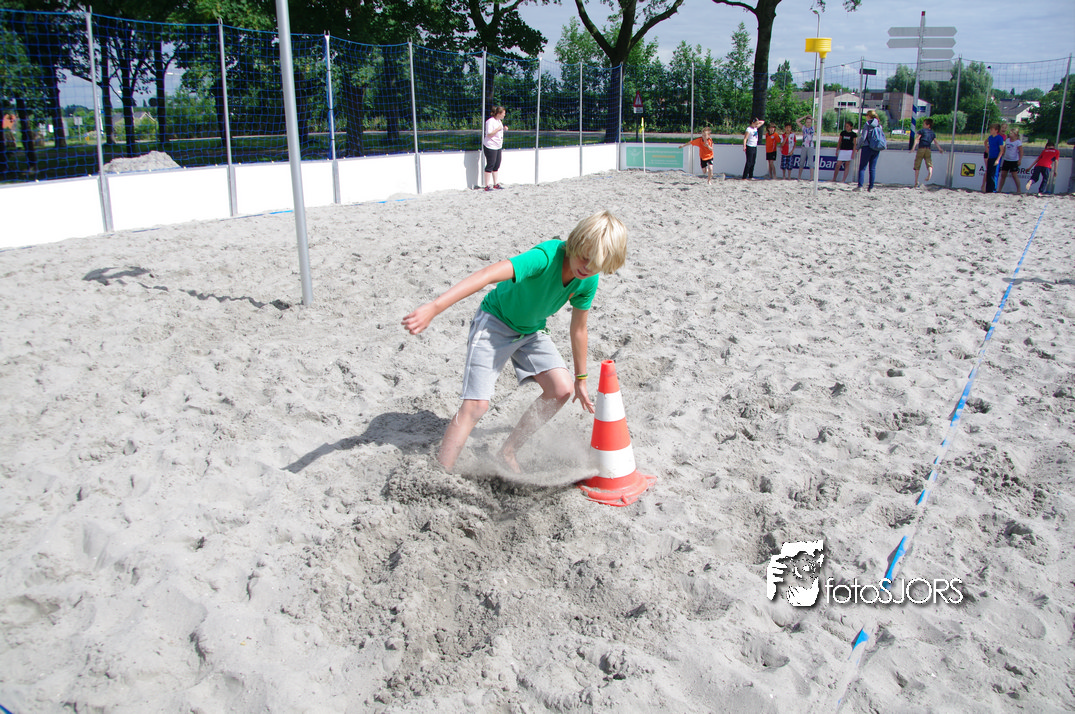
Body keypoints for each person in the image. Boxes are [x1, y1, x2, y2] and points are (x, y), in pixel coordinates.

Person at [401, 210, 628, 473]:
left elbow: (579, 329)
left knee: (561, 389)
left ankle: (507, 452)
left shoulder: (587, 280)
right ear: (575, 242)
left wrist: (581, 379)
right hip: (494, 323)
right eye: (585, 258)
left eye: (596, 265)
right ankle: (440, 472)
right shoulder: (545, 257)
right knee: (476, 406)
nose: (587, 268)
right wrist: (434, 307)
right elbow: (487, 274)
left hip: (531, 331)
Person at [910, 117, 943, 188]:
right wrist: (940, 149)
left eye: (924, 124)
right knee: (929, 161)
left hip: (921, 148)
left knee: (917, 164)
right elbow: (936, 142)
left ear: (928, 125)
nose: (923, 125)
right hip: (928, 149)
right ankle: (930, 172)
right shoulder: (932, 133)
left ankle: (916, 181)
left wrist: (913, 148)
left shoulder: (922, 131)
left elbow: (917, 139)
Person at [854, 110, 882, 192]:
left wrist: (857, 147)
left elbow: (863, 137)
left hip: (867, 147)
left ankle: (860, 186)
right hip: (876, 148)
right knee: (872, 168)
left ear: (869, 116)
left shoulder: (867, 124)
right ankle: (871, 187)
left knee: (862, 167)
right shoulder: (879, 125)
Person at [482, 106, 507, 191]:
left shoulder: (499, 121)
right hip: (490, 146)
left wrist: (503, 129)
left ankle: (496, 184)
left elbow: (499, 131)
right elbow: (489, 134)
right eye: (503, 113)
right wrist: (498, 129)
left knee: (497, 164)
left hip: (498, 146)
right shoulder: (490, 121)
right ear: (499, 113)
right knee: (490, 164)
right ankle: (486, 185)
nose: (504, 115)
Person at [997, 128, 1023, 194]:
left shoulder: (1018, 142)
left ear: (1015, 134)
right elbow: (1005, 148)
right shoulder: (1008, 140)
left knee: (1014, 175)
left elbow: (1021, 151)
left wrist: (1020, 160)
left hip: (1013, 160)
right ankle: (999, 189)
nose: (1010, 134)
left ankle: (1019, 190)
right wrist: (1003, 153)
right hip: (1006, 160)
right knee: (1003, 175)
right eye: (1010, 133)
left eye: (1011, 133)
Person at [983, 123, 1004, 193]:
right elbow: (985, 142)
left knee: (994, 174)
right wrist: (987, 149)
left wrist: (998, 160)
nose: (990, 131)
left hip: (996, 157)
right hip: (990, 157)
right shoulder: (990, 137)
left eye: (992, 129)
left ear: (996, 130)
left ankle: (993, 189)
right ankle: (988, 189)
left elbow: (1001, 150)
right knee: (989, 173)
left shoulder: (999, 138)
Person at [797, 115, 815, 180]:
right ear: (805, 123)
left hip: (810, 146)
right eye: (807, 122)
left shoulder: (813, 128)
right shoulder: (804, 128)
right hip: (804, 146)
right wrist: (805, 116)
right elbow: (797, 121)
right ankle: (799, 177)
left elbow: (820, 122)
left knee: (810, 162)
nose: (808, 123)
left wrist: (812, 118)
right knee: (802, 162)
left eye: (809, 122)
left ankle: (811, 177)